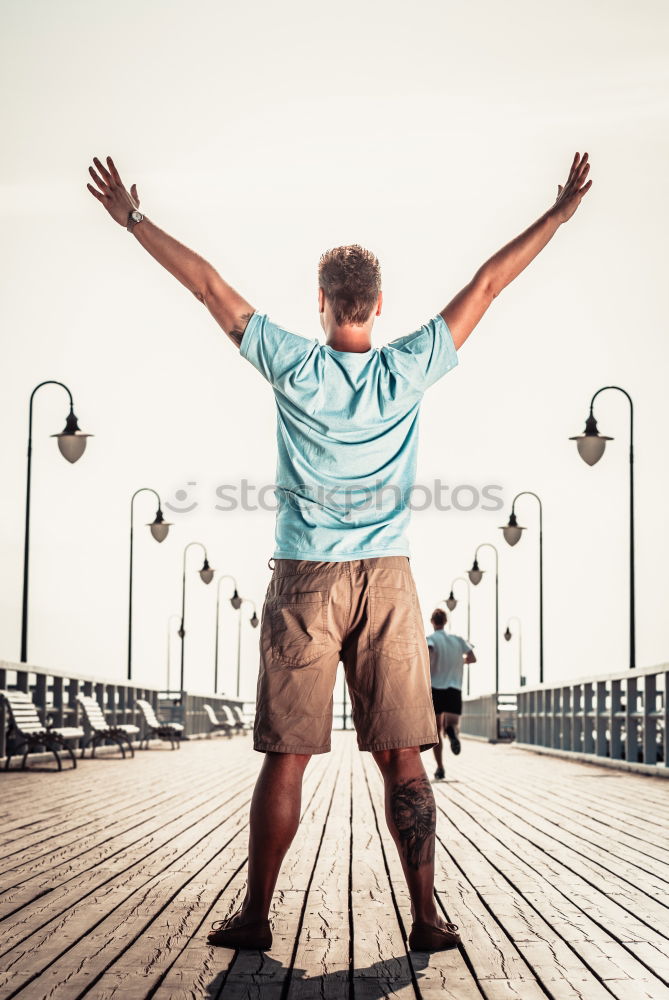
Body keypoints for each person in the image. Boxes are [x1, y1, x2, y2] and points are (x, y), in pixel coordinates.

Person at [87, 151, 591, 952]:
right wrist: (557, 217)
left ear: (321, 304)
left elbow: (209, 288)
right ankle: (427, 917)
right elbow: (489, 282)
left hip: (304, 577)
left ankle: (255, 918)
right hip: (388, 579)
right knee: (402, 756)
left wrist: (135, 221)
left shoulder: (292, 363)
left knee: (287, 757)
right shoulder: (408, 365)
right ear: (378, 305)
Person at [427, 609, 476, 779]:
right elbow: (472, 658)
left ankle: (440, 768)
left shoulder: (431, 639)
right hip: (454, 687)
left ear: (432, 622)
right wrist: (459, 661)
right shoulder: (458, 640)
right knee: (453, 724)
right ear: (445, 621)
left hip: (435, 688)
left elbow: (427, 653)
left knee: (436, 732)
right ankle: (452, 731)